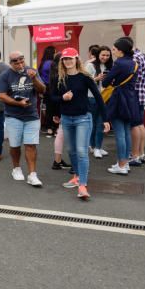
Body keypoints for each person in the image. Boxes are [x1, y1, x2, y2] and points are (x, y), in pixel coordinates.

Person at [49, 49, 109, 201]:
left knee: (82, 151)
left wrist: (106, 119)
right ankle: (76, 177)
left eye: (70, 58)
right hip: (66, 119)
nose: (68, 61)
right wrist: (62, 98)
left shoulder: (85, 77)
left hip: (83, 118)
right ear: (62, 61)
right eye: (65, 59)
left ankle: (83, 185)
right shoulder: (59, 78)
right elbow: (52, 98)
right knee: (71, 150)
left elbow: (98, 97)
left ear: (76, 59)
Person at [0, 51, 46, 187]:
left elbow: (43, 90)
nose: (20, 64)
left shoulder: (32, 71)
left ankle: (32, 174)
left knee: (31, 145)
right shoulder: (5, 75)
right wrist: (18, 102)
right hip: (13, 115)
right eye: (16, 62)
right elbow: (1, 95)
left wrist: (34, 78)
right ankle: (16, 168)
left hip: (32, 115)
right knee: (15, 145)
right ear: (10, 63)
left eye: (21, 60)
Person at [101, 38, 141, 175]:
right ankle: (125, 162)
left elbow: (106, 82)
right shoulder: (134, 63)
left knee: (119, 134)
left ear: (120, 50)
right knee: (126, 132)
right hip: (131, 99)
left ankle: (122, 164)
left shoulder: (119, 63)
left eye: (114, 49)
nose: (113, 51)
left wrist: (108, 79)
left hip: (119, 99)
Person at [127, 37, 145, 166]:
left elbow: (130, 78)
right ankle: (141, 153)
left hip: (134, 93)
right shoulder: (144, 55)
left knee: (134, 125)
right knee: (140, 124)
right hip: (142, 93)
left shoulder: (134, 58)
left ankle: (135, 155)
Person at [87, 46, 113, 158]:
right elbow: (84, 81)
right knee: (92, 123)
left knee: (102, 123)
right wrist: (96, 79)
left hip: (105, 97)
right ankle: (92, 146)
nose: (105, 57)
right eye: (103, 55)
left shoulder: (110, 65)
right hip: (92, 97)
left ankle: (98, 147)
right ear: (98, 54)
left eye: (107, 55)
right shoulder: (90, 65)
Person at [39, 45, 57, 135]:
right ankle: (53, 127)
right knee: (54, 108)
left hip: (45, 88)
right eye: (55, 52)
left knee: (48, 108)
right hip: (52, 88)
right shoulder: (51, 63)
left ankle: (49, 127)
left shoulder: (43, 63)